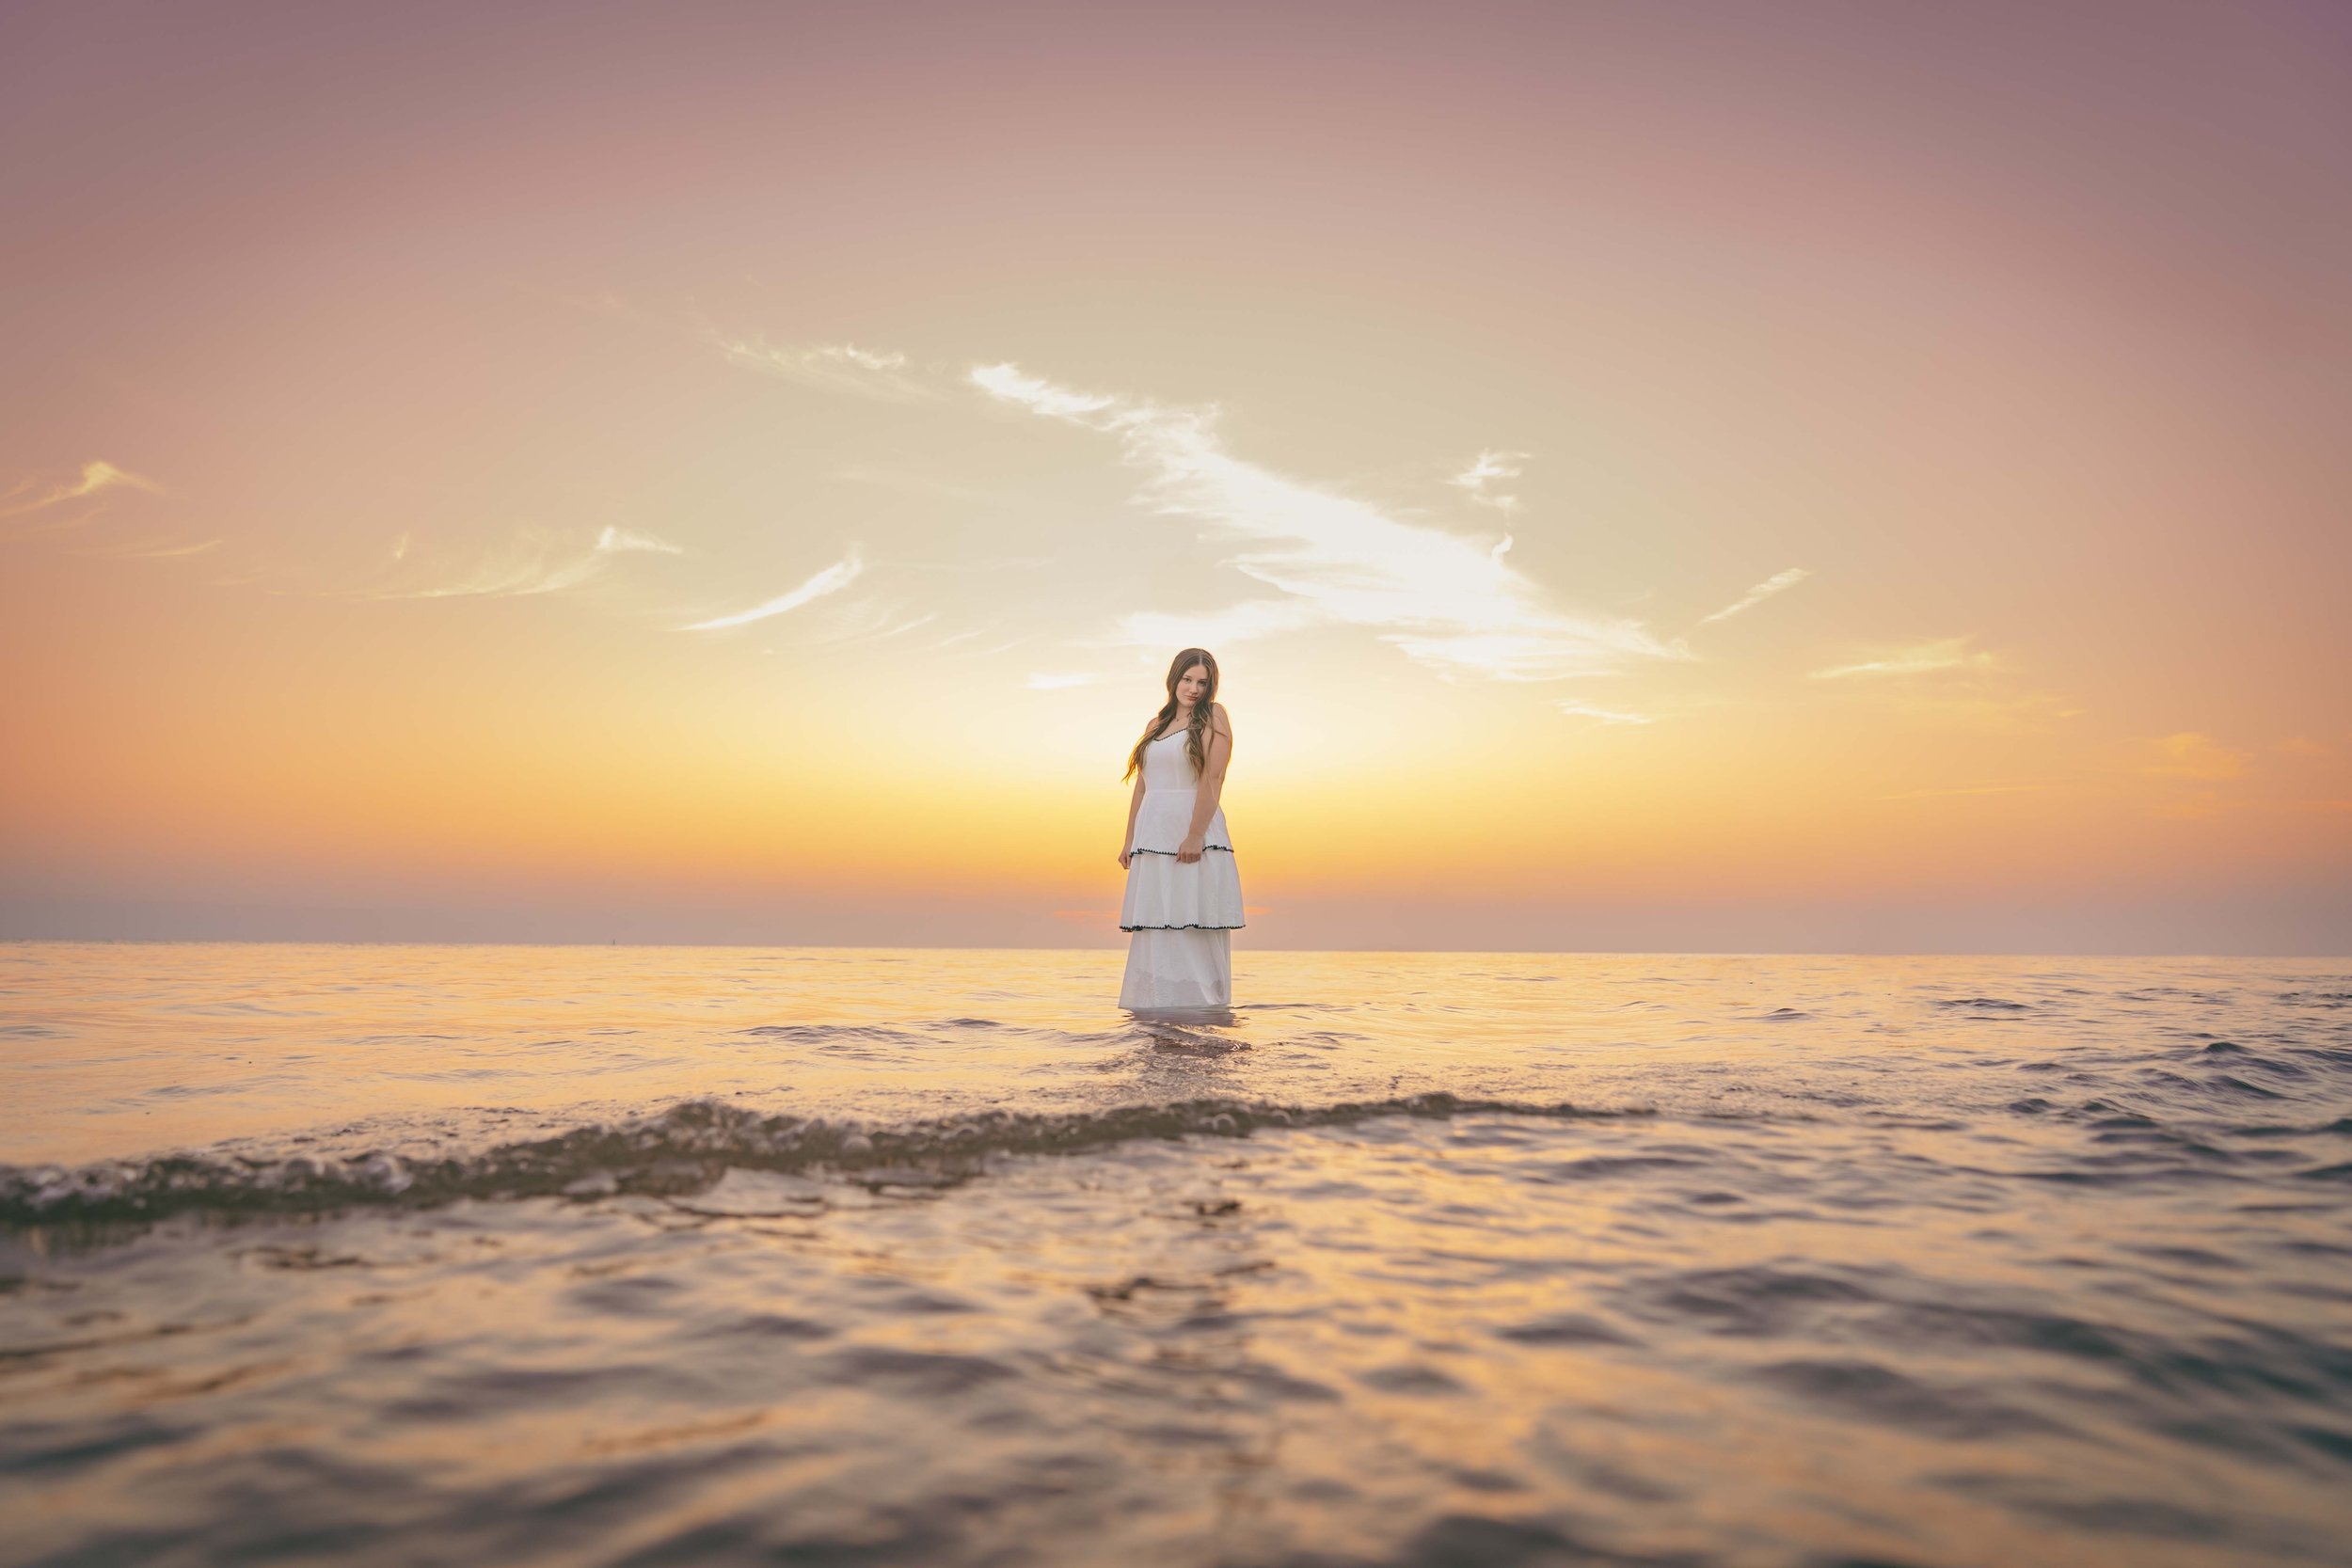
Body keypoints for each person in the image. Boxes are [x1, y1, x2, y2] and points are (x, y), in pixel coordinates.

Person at [1116, 648, 1244, 1010]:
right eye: (1187, 679)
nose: (1194, 689)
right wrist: (1129, 841)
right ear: (1174, 678)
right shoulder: (1154, 726)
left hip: (1194, 830)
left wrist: (1195, 834)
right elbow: (1142, 786)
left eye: (1203, 683)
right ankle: (1158, 1011)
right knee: (1159, 921)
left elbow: (1213, 777)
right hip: (1153, 836)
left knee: (1191, 918)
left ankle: (1200, 1010)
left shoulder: (1214, 717)